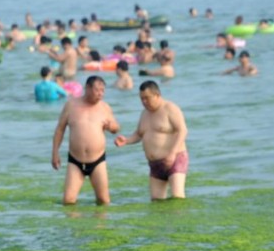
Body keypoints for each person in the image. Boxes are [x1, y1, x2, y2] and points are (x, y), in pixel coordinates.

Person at [114, 80, 188, 200]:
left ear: (157, 95)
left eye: (147, 98)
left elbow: (183, 131)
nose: (144, 102)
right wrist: (126, 140)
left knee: (177, 197)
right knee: (156, 201)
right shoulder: (144, 113)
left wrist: (172, 153)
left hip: (175, 159)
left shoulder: (170, 108)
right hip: (155, 165)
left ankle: (182, 219)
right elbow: (139, 134)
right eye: (141, 98)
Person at [51, 75, 120, 205]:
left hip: (98, 160)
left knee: (103, 200)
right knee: (68, 201)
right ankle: (75, 225)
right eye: (97, 90)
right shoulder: (71, 105)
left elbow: (116, 127)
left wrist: (111, 127)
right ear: (87, 88)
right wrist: (55, 153)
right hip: (75, 160)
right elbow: (60, 129)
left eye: (103, 90)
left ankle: (99, 225)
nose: (100, 94)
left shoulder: (104, 107)